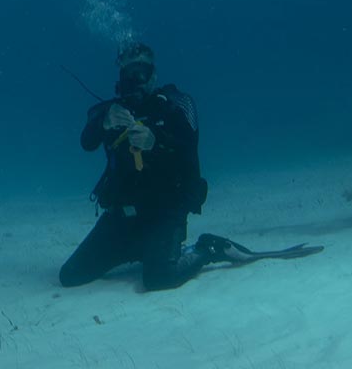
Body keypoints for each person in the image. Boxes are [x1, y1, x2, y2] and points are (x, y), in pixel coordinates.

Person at [59, 42, 227, 291]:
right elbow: (87, 141)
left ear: (154, 75)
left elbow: (189, 147)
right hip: (122, 218)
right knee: (70, 276)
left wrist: (155, 141)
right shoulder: (109, 111)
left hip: (165, 215)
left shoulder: (176, 105)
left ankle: (208, 249)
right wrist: (103, 123)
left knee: (160, 278)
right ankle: (140, 249)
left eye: (142, 73)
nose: (135, 81)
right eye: (128, 75)